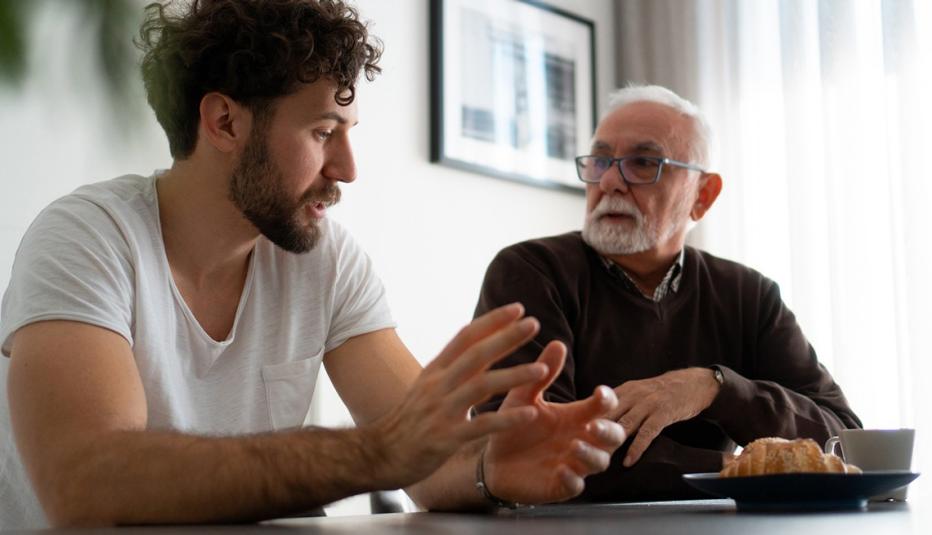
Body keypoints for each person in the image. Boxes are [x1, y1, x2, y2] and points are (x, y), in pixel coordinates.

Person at [0, 1, 626, 528]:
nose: (348, 169)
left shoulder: (324, 257)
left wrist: (489, 466)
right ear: (224, 122)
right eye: (325, 132)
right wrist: (372, 454)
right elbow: (88, 486)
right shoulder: (86, 238)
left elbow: (425, 459)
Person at [474, 84, 862, 502]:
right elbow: (531, 450)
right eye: (601, 160)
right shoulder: (530, 273)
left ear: (703, 196)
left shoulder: (749, 295)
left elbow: (844, 441)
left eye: (643, 163)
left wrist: (715, 389)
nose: (610, 181)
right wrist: (736, 470)